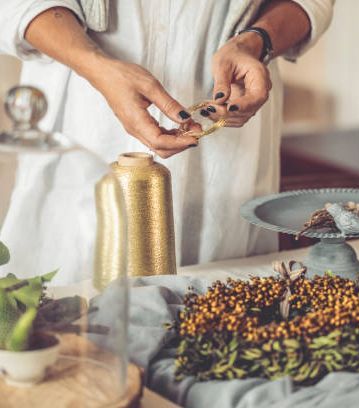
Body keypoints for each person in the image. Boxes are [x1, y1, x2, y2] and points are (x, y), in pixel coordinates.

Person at [0, 0, 334, 284]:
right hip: (86, 120)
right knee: (65, 318)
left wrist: (256, 41)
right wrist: (97, 67)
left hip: (229, 145)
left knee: (215, 308)